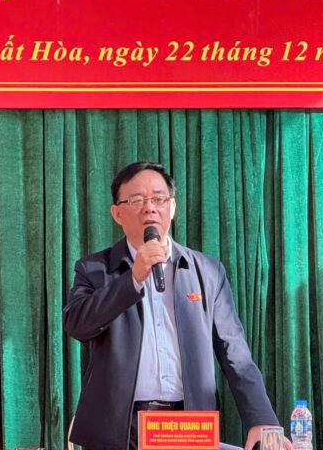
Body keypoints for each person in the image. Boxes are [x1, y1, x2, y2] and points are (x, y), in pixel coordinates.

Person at [64, 162, 290, 450]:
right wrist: (133, 278)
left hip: (187, 425)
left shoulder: (208, 271)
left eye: (159, 199)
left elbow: (235, 352)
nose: (150, 208)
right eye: (136, 200)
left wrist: (261, 419)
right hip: (120, 427)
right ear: (117, 213)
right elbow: (77, 325)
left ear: (172, 208)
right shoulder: (95, 269)